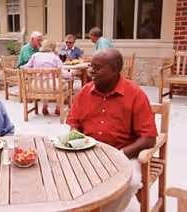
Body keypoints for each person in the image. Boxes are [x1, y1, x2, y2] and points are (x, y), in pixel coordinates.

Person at [66, 49, 157, 212]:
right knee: (61, 174)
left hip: (124, 155)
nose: (91, 71)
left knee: (132, 182)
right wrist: (75, 141)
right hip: (88, 151)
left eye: (98, 67)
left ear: (115, 71)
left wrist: (122, 153)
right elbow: (74, 124)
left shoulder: (135, 94)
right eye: (91, 66)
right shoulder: (84, 92)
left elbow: (149, 138)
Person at [23, 40, 71, 116]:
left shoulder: (35, 55)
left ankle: (45, 106)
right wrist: (71, 75)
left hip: (35, 86)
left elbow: (25, 68)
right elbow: (63, 73)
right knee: (60, 84)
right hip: (52, 87)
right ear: (53, 48)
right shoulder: (54, 57)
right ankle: (58, 108)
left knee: (44, 84)